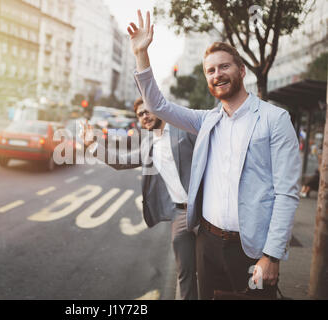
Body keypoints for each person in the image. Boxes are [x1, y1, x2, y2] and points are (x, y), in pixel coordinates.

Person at [127, 10, 301, 299]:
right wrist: (141, 54)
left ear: (241, 70)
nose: (217, 74)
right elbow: (157, 105)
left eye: (224, 67)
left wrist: (271, 255)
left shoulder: (275, 119)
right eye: (210, 70)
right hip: (207, 244)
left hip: (252, 251)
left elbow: (287, 193)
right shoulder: (205, 120)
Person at [81, 97, 198, 300]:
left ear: (159, 109)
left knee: (209, 269)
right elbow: (121, 161)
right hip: (179, 214)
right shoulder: (148, 143)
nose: (144, 116)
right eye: (140, 114)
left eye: (147, 111)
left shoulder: (183, 130)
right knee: (184, 273)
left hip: (205, 210)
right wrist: (92, 145)